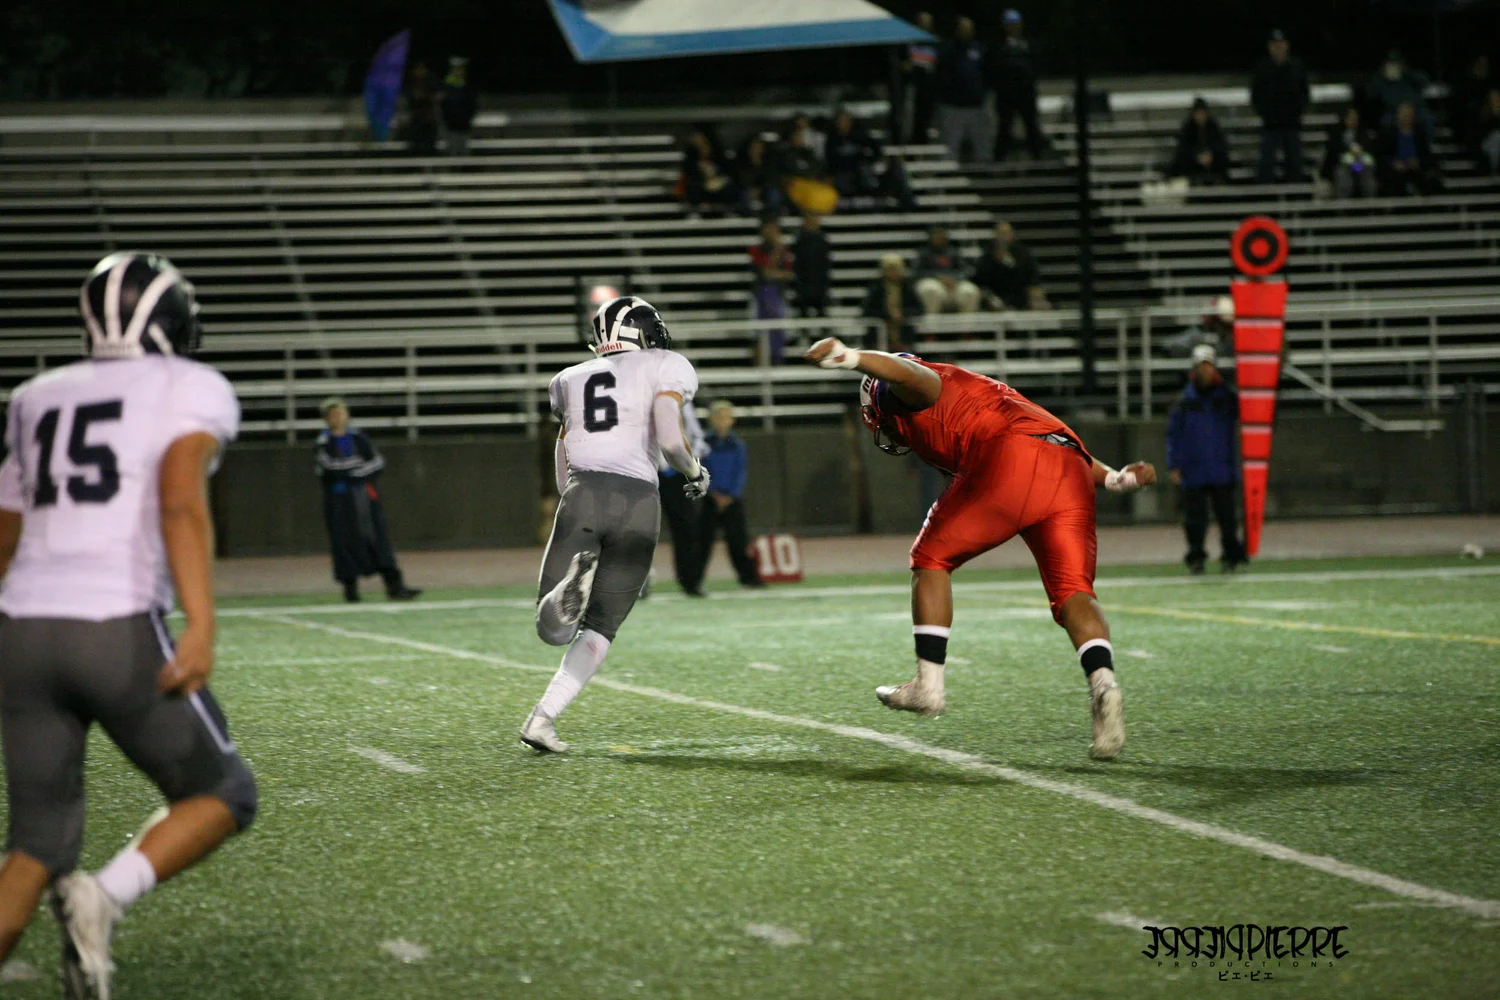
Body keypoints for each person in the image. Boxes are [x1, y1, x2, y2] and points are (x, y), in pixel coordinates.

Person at [0, 253, 258, 995]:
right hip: (111, 626)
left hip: (21, 630)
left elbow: (7, 525)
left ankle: (83, 896)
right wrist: (201, 622)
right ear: (174, 320)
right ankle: (104, 896)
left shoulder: (36, 395)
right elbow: (179, 499)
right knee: (223, 794)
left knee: (33, 845)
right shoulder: (189, 384)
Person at [803, 336, 1156, 759]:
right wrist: (1115, 478)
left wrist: (852, 359)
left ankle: (928, 686)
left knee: (930, 557)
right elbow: (1054, 438)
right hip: (1071, 470)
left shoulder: (915, 388)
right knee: (1073, 592)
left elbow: (910, 374)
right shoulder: (980, 393)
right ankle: (1104, 686)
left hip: (1011, 459)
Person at [520, 296, 710, 753]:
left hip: (584, 493)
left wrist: (571, 501)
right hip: (641, 503)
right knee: (602, 627)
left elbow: (564, 453)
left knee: (552, 629)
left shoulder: (568, 379)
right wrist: (694, 472)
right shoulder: (667, 363)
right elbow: (670, 438)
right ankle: (542, 720)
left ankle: (566, 593)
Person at [315, 398, 421, 602]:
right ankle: (351, 590)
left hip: (364, 497)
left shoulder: (358, 437)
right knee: (344, 543)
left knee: (377, 539)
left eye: (341, 413)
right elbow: (328, 468)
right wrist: (354, 467)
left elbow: (377, 463)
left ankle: (395, 586)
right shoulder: (323, 441)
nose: (338, 418)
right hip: (339, 502)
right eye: (333, 414)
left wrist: (354, 472)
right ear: (326, 419)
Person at [1166, 345, 1247, 574]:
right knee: (1194, 520)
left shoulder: (1227, 397)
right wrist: (1174, 465)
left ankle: (1230, 556)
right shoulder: (1184, 401)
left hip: (1222, 467)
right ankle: (1196, 557)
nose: (1205, 370)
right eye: (1201, 366)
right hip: (1194, 469)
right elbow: (1173, 435)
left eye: (1208, 365)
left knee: (1227, 518)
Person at [697, 401, 764, 589]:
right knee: (702, 543)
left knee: (739, 541)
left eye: (726, 417)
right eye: (719, 416)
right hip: (710, 499)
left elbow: (740, 472)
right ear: (711, 419)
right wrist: (712, 492)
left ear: (732, 420)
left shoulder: (737, 445)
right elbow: (699, 469)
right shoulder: (703, 444)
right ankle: (694, 581)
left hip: (732, 500)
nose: (722, 421)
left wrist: (731, 494)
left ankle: (749, 579)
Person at [657, 402, 709, 598]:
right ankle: (635, 585)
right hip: (646, 469)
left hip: (677, 473)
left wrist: (687, 462)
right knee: (638, 529)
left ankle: (691, 582)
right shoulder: (640, 396)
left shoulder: (682, 401)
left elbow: (697, 437)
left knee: (687, 528)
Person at [1250, 29, 1309, 183]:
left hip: (1292, 124)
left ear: (1287, 45)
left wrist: (1296, 113)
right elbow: (1255, 95)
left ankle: (1295, 195)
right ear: (1269, 47)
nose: (1278, 47)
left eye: (1281, 44)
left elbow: (1304, 93)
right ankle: (1266, 195)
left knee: (1295, 163)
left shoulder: (1297, 66)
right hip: (1271, 125)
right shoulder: (1262, 68)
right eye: (1274, 44)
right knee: (1266, 163)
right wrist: (1266, 114)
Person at [934, 16, 993, 164]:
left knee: (981, 141)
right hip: (952, 105)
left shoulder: (979, 49)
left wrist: (982, 93)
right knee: (950, 142)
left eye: (968, 29)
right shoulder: (947, 49)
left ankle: (984, 169)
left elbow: (987, 73)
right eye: (962, 29)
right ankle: (948, 170)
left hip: (975, 104)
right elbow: (940, 74)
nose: (965, 32)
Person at [990, 9, 1045, 162]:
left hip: (1026, 93)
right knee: (1005, 127)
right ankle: (999, 158)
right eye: (1010, 24)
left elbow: (1036, 66)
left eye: (1016, 24)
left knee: (1031, 126)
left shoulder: (1028, 45)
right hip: (1006, 94)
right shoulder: (999, 46)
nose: (1014, 27)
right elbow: (994, 68)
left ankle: (1038, 157)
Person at [972, 220, 1049, 311]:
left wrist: (1034, 290)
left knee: (1038, 298)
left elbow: (1033, 275)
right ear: (995, 235)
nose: (1003, 237)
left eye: (1006, 233)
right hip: (995, 295)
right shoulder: (988, 254)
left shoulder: (1023, 253)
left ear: (1012, 234)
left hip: (1020, 293)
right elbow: (980, 280)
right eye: (1000, 233)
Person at [749, 217, 795, 363]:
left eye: (774, 229)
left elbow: (789, 274)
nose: (771, 232)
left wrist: (774, 272)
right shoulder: (756, 250)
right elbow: (764, 272)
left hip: (778, 295)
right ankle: (759, 366)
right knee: (759, 333)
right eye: (768, 228)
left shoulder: (784, 250)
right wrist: (776, 251)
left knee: (778, 332)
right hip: (760, 296)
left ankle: (777, 363)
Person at [860, 253, 925, 351]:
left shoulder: (907, 287)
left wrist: (902, 314)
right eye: (889, 269)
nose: (893, 272)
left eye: (895, 269)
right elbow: (866, 311)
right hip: (879, 336)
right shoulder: (876, 288)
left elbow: (919, 309)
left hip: (903, 335)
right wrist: (888, 315)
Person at [913, 225, 981, 315]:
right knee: (930, 289)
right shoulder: (924, 253)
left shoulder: (954, 252)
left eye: (942, 235)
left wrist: (954, 279)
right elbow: (918, 272)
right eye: (937, 235)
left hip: (953, 284)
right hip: (933, 282)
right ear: (931, 237)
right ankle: (931, 321)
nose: (940, 238)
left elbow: (964, 270)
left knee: (969, 291)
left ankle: (968, 323)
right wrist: (938, 278)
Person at [1378, 101, 1442, 196]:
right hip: (1397, 168)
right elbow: (1383, 154)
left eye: (1409, 114)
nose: (1406, 117)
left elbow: (1426, 153)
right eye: (1404, 114)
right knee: (1394, 179)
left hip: (1416, 167)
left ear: (1413, 116)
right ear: (1398, 115)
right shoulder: (1389, 132)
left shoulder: (1419, 132)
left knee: (1429, 179)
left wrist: (1418, 161)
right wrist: (1394, 163)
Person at [1167, 97, 1231, 185]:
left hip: (1212, 162)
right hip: (1193, 163)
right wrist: (1197, 157)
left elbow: (1221, 145)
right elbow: (1183, 148)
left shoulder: (1213, 127)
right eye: (1198, 113)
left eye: (1202, 113)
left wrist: (1210, 155)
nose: (1200, 116)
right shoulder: (1188, 128)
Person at [1320, 106, 1378, 199]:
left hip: (1358, 166)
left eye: (1355, 118)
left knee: (1367, 171)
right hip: (1341, 166)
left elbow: (1368, 151)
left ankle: (1369, 202)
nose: (1354, 121)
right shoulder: (1336, 133)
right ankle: (1343, 203)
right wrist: (1349, 151)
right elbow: (1334, 152)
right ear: (1345, 118)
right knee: (1343, 174)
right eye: (1351, 118)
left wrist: (1358, 153)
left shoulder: (1363, 133)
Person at [1367, 50, 1431, 128]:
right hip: (1393, 112)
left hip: (1415, 109)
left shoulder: (1410, 74)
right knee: (1386, 121)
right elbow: (1370, 94)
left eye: (1396, 63)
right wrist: (1382, 76)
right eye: (1391, 63)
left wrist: (1406, 71)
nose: (1394, 66)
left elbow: (1425, 82)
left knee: (1427, 117)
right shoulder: (1380, 78)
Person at [902, 11, 939, 143]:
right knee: (912, 114)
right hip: (913, 84)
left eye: (928, 22)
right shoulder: (909, 40)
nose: (925, 25)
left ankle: (924, 139)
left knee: (927, 114)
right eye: (922, 22)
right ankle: (910, 140)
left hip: (929, 85)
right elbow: (904, 63)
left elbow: (938, 62)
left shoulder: (934, 41)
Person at [681, 125, 735, 217]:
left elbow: (727, 170)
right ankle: (695, 212)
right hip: (700, 184)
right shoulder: (690, 156)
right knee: (693, 187)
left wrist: (715, 176)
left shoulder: (718, 153)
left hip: (718, 184)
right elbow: (688, 173)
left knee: (729, 186)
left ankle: (728, 211)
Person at [793, 212, 833, 319]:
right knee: (803, 314)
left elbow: (825, 263)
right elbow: (798, 264)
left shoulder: (822, 240)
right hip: (804, 283)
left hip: (819, 283)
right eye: (810, 220)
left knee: (822, 313)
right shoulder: (800, 240)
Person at [735, 133, 784, 217]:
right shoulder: (741, 163)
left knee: (774, 194)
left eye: (759, 147)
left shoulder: (769, 162)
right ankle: (746, 215)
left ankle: (771, 216)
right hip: (747, 189)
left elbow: (772, 178)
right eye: (754, 147)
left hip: (765, 190)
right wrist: (752, 188)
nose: (756, 150)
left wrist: (761, 189)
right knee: (744, 194)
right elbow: (741, 179)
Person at [440, 56, 477, 156]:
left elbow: (473, 104)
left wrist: (468, 118)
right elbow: (442, 106)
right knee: (452, 150)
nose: (458, 71)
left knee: (464, 150)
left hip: (464, 125)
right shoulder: (445, 85)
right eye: (455, 69)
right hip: (450, 126)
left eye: (460, 69)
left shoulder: (467, 85)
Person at [404, 61, 439, 156]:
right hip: (415, 120)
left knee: (430, 146)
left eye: (422, 69)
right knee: (415, 146)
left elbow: (436, 95)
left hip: (429, 120)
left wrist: (426, 96)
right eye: (418, 69)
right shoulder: (410, 83)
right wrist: (414, 96)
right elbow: (408, 97)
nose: (420, 72)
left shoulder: (431, 81)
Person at [1475, 88, 1500, 175]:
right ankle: (1494, 169)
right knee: (1496, 138)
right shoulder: (1485, 113)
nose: (1495, 100)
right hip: (1488, 143)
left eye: (1497, 97)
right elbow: (1483, 131)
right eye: (1493, 98)